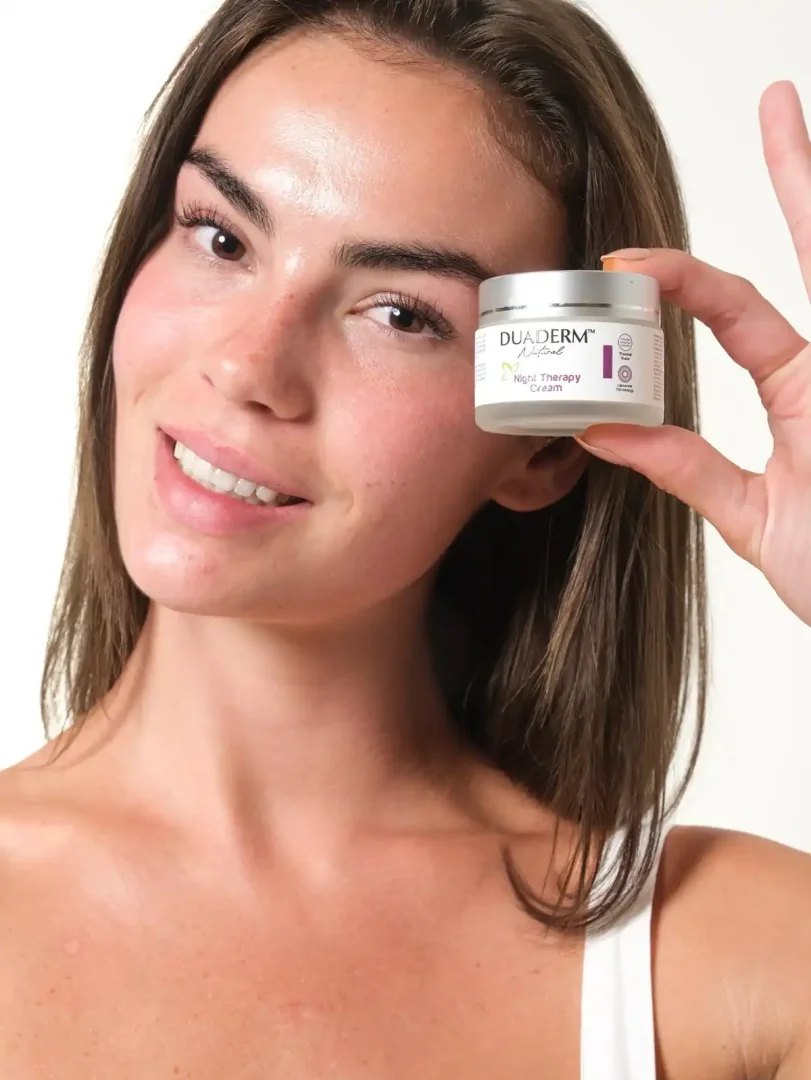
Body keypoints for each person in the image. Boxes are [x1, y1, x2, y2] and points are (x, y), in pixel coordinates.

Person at [0, 0, 809, 1075]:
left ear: (541, 448)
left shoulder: (732, 966)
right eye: (221, 237)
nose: (247, 366)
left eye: (401, 314)